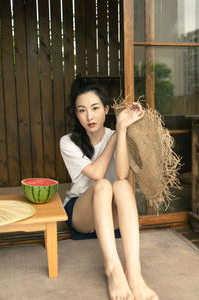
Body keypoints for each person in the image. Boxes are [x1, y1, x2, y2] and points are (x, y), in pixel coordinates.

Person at [60, 77, 159, 300]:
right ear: (76, 114)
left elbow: (122, 174)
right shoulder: (68, 142)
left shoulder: (116, 134)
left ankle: (134, 273)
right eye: (82, 110)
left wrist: (121, 130)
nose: (89, 116)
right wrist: (113, 138)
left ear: (106, 109)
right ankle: (113, 269)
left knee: (122, 185)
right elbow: (96, 174)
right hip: (82, 214)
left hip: (111, 214)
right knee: (102, 184)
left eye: (95, 108)